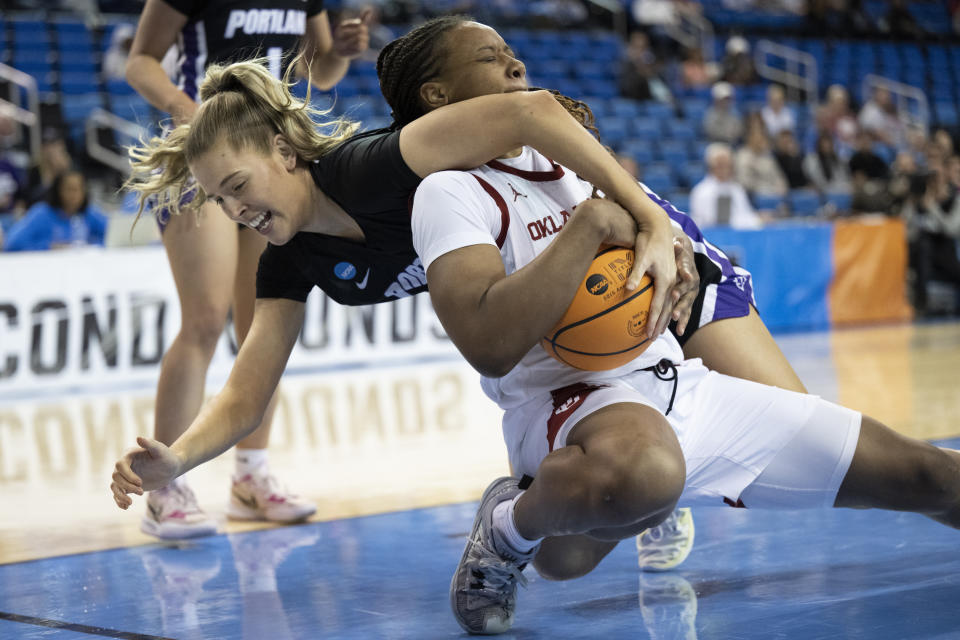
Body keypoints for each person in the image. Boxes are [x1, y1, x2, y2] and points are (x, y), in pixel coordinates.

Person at [110, 16, 804, 567]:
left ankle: (659, 480)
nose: (235, 215)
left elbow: (531, 110)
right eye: (218, 202)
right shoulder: (289, 261)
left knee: (792, 443)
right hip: (566, 292)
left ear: (285, 155)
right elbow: (244, 395)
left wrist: (650, 218)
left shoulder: (374, 166)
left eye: (237, 188)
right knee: (601, 494)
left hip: (627, 234)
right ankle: (643, 490)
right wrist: (178, 457)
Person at [405, 102, 960, 638]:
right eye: (492, 58)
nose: (515, 69)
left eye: (514, 59)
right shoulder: (448, 190)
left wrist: (674, 250)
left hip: (679, 367)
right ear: (437, 93)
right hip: (582, 395)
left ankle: (654, 498)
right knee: (580, 543)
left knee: (929, 477)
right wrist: (595, 225)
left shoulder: (576, 159)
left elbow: (661, 233)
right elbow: (487, 341)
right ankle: (513, 529)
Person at [122, 0, 375, 539]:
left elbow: (316, 70)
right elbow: (140, 60)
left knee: (263, 322)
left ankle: (251, 478)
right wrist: (188, 110)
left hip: (265, 163)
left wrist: (342, 54)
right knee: (206, 320)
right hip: (202, 161)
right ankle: (164, 486)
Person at [3, 170, 107, 251]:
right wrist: (47, 247)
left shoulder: (89, 213)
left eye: (79, 189)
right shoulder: (42, 214)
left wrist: (91, 245)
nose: (75, 195)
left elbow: (112, 235)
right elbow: (12, 244)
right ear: (58, 191)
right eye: (70, 189)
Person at [690, 142, 762, 228]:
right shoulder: (701, 192)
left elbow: (746, 215)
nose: (725, 169)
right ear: (711, 166)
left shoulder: (737, 189)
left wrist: (759, 219)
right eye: (720, 165)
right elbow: (704, 222)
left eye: (727, 165)